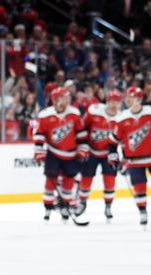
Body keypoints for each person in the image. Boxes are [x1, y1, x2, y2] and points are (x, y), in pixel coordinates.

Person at [109, 87, 151, 227]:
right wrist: (113, 155)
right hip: (134, 160)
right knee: (139, 187)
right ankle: (142, 212)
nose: (127, 99)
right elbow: (112, 141)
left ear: (139, 99)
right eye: (127, 97)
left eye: (131, 97)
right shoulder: (122, 118)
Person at [33, 86, 88, 223]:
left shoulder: (74, 113)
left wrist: (82, 150)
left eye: (67, 97)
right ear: (56, 100)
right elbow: (39, 135)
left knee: (69, 180)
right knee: (50, 180)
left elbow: (81, 134)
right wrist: (39, 152)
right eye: (63, 97)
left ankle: (65, 205)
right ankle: (48, 207)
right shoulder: (45, 115)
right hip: (53, 152)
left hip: (71, 154)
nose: (67, 99)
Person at [78, 90, 122, 221]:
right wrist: (82, 145)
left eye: (117, 102)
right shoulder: (94, 111)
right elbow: (82, 127)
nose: (113, 104)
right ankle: (82, 203)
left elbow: (124, 139)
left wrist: (124, 157)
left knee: (110, 181)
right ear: (107, 101)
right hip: (91, 151)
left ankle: (108, 206)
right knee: (86, 179)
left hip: (109, 154)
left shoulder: (121, 118)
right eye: (111, 101)